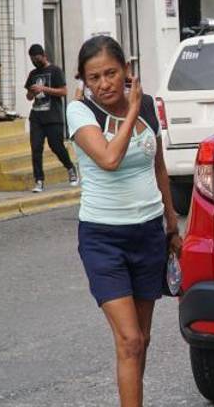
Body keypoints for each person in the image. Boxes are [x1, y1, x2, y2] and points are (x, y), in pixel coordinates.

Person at [68, 36, 181, 407]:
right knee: (130, 339)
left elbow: (158, 167)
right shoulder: (80, 111)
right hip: (103, 239)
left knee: (141, 340)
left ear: (126, 70)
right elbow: (109, 159)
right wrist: (131, 111)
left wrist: (171, 227)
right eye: (94, 77)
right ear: (84, 80)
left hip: (148, 234)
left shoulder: (148, 105)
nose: (103, 84)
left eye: (111, 73)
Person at [25, 44, 77, 192]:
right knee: (36, 148)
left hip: (53, 116)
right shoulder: (33, 74)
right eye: (32, 59)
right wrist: (32, 92)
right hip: (36, 116)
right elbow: (28, 97)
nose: (35, 62)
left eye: (37, 58)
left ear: (44, 55)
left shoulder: (55, 71)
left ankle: (70, 167)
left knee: (56, 146)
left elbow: (63, 92)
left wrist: (44, 89)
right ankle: (39, 180)